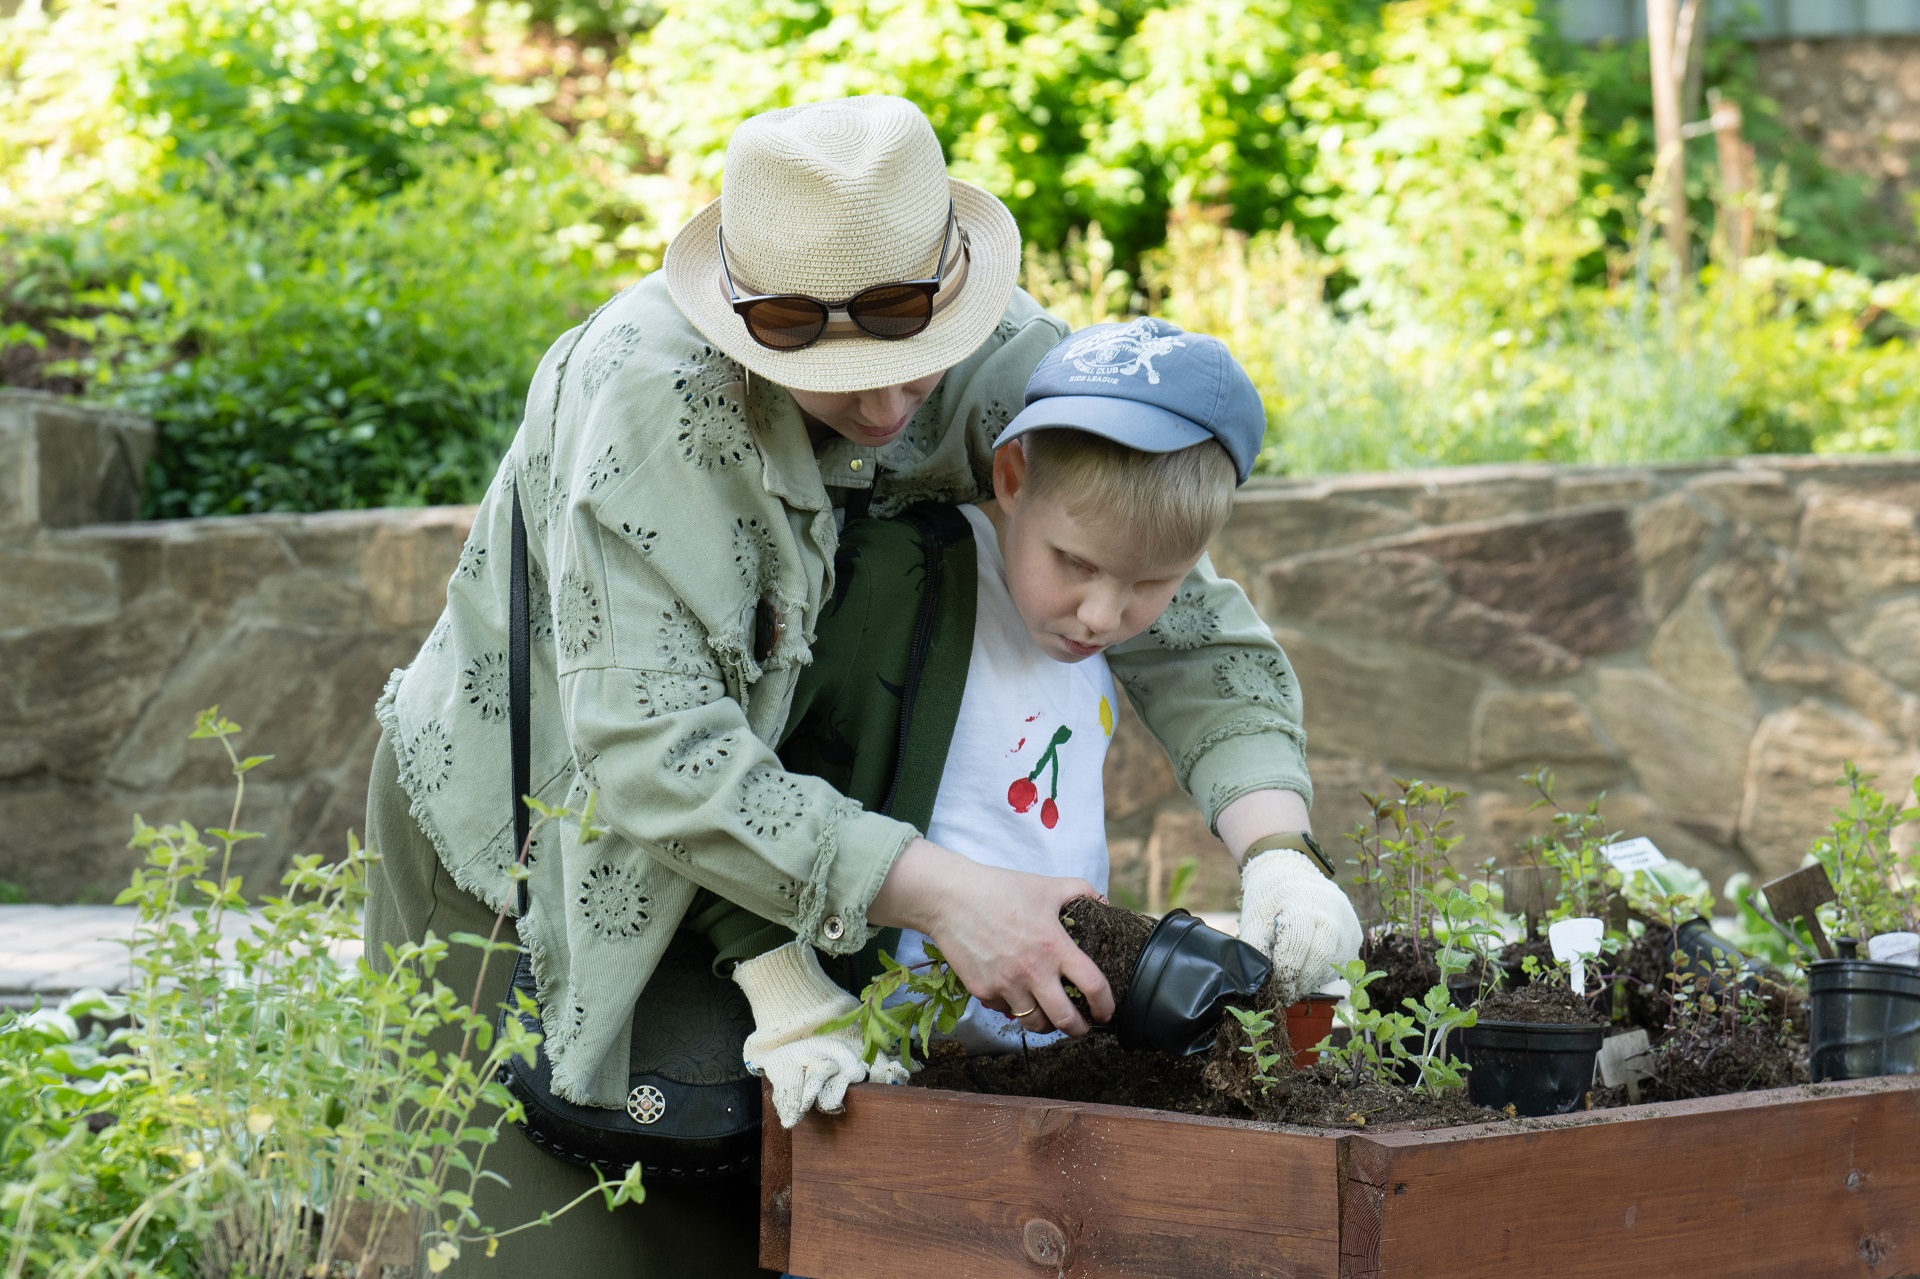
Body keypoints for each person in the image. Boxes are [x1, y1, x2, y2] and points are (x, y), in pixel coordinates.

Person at [363, 94, 1349, 1276]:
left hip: (768, 852)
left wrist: (1277, 843)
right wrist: (945, 895)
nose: (890, 408)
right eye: (841, 376)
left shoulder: (993, 350)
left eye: (914, 354)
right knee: (550, 1231)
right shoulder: (653, 406)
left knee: (759, 1210)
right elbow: (651, 752)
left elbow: (1178, 607)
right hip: (534, 849)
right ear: (746, 320)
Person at [735, 320, 1363, 1126]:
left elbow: (1217, 671)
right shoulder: (897, 581)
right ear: (1010, 477)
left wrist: (1283, 859)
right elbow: (751, 787)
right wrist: (788, 988)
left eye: (1152, 582)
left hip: (1038, 1068)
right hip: (878, 1067)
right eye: (1076, 563)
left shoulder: (1085, 625)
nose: (1102, 614)